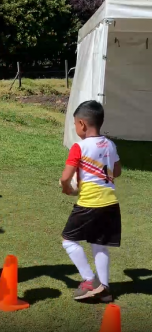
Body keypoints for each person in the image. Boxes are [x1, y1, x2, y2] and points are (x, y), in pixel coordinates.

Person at [60, 100, 121, 303]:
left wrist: (67, 188)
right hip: (110, 203)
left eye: (75, 124)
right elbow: (117, 171)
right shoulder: (110, 144)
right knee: (99, 245)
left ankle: (89, 280)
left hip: (89, 204)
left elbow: (64, 177)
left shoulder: (79, 147)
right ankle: (105, 290)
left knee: (68, 240)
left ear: (82, 124)